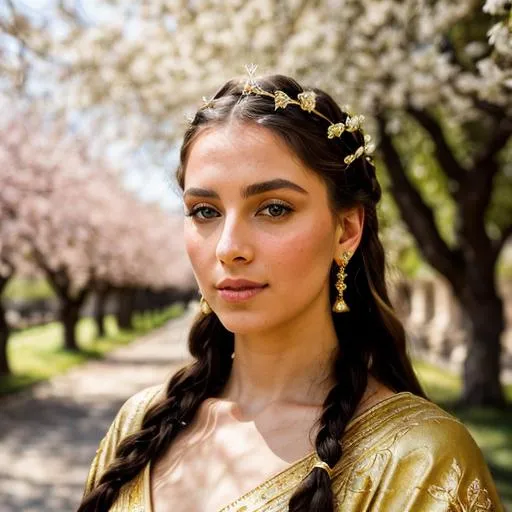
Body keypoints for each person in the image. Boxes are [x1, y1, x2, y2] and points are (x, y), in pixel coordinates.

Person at [78, 70, 503, 512]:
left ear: (346, 229)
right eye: (204, 211)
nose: (228, 248)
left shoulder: (419, 460)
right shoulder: (139, 424)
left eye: (274, 209)